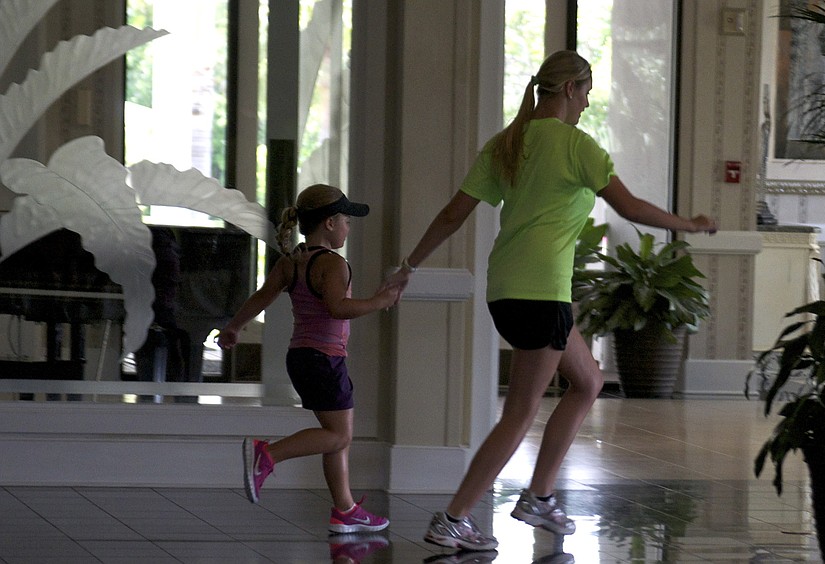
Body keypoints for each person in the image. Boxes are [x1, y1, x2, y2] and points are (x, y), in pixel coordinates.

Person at [382, 50, 717, 551]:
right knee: (520, 412)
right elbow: (630, 207)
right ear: (569, 89)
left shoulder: (507, 143)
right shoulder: (577, 146)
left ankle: (539, 496)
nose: (587, 104)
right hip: (541, 294)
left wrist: (409, 265)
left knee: (589, 381)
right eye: (586, 93)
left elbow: (453, 214)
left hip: (507, 289)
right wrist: (688, 224)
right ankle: (453, 518)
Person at [217, 183, 399, 534]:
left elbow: (262, 296)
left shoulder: (292, 261)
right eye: (346, 221)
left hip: (301, 357)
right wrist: (379, 301)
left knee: (336, 435)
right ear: (330, 223)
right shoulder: (334, 264)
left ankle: (345, 511)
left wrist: (234, 327)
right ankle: (267, 454)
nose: (348, 228)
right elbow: (337, 308)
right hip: (324, 360)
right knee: (339, 437)